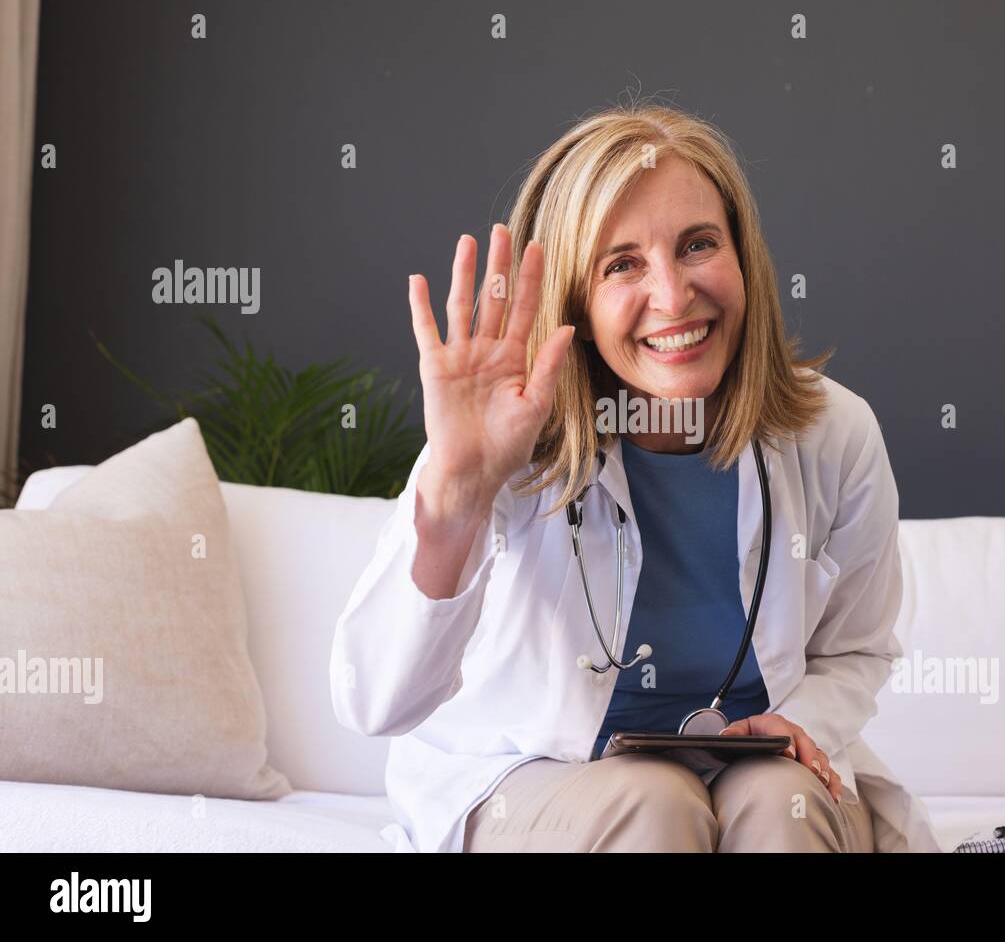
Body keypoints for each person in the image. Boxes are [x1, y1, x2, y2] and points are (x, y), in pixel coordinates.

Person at [330, 102, 941, 853]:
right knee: (654, 802)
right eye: (622, 264)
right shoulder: (504, 435)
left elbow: (855, 651)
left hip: (750, 772)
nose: (673, 295)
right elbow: (374, 702)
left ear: (743, 257)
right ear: (576, 304)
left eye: (697, 245)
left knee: (781, 800)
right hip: (536, 780)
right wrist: (458, 491)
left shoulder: (835, 434)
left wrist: (800, 725)